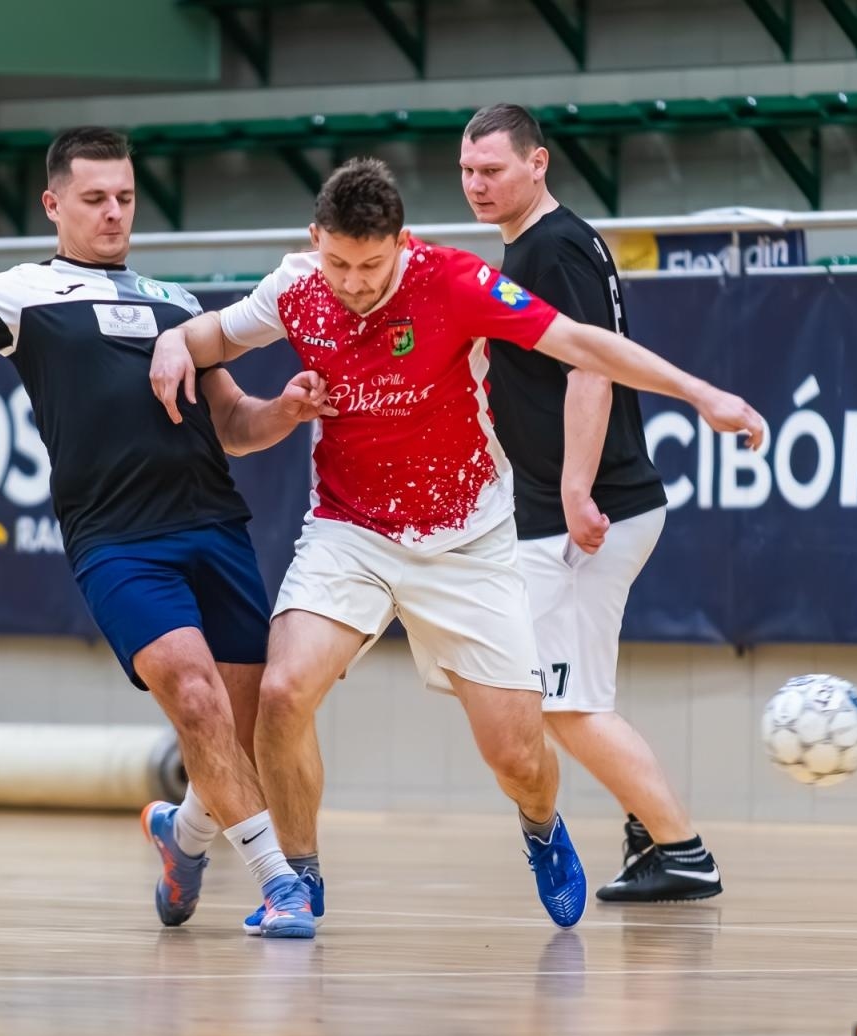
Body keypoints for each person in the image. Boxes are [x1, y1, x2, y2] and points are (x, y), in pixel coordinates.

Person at [151, 158, 763, 931]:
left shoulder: (457, 281)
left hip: (467, 541)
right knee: (280, 692)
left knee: (518, 756)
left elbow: (582, 343)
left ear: (402, 243)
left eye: (372, 264)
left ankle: (541, 827)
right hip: (351, 532)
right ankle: (298, 882)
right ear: (316, 242)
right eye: (339, 261)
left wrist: (703, 393)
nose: (355, 281)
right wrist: (177, 338)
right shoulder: (296, 287)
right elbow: (213, 335)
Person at [0, 127, 332, 938]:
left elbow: (232, 423)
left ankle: (183, 835)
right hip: (118, 541)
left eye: (125, 198)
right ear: (54, 204)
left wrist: (285, 411)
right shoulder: (23, 294)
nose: (114, 213)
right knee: (193, 697)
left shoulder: (179, 303)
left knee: (238, 726)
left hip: (214, 524)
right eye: (95, 200)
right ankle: (279, 885)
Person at [461, 104, 722, 902]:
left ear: (537, 164)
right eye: (468, 171)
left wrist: (575, 488)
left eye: (493, 170)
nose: (477, 184)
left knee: (566, 704)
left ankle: (683, 850)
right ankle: (651, 829)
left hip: (590, 509)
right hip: (563, 509)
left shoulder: (557, 245)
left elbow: (591, 369)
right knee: (571, 694)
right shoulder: (526, 247)